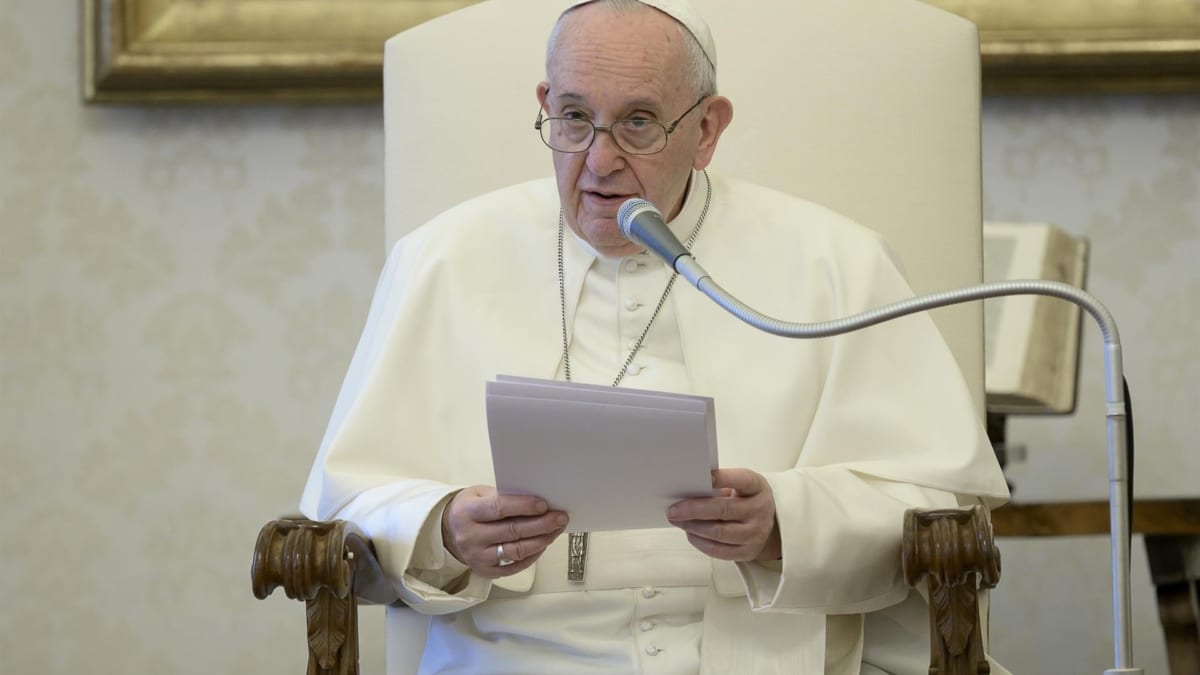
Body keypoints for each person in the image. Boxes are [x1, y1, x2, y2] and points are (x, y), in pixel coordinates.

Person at [300, 0, 1010, 673]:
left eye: (638, 123)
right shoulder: (442, 261)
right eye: (574, 118)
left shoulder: (836, 261)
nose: (600, 161)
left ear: (707, 129)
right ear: (546, 105)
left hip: (765, 656)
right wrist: (445, 528)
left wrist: (784, 523)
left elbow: (940, 506)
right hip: (515, 657)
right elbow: (343, 510)